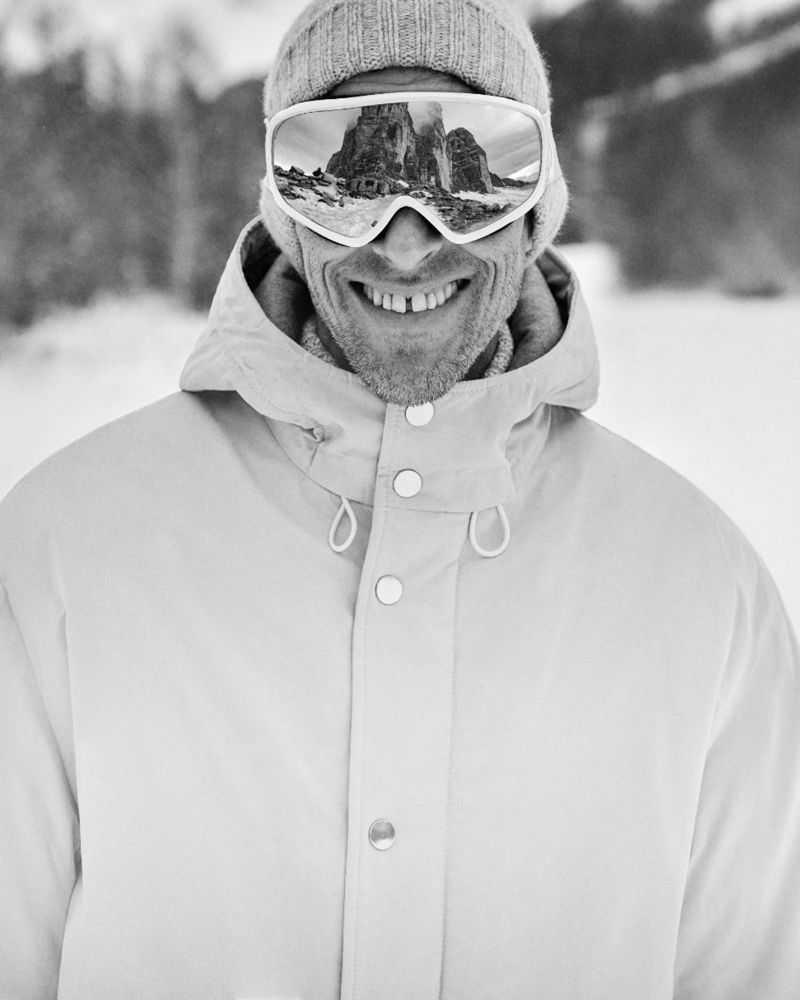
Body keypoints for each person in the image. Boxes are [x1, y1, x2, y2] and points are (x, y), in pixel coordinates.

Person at [1, 0, 798, 996]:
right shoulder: (61, 559)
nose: (407, 240)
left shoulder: (701, 595)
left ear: (536, 199)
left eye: (471, 170)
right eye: (342, 173)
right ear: (285, 210)